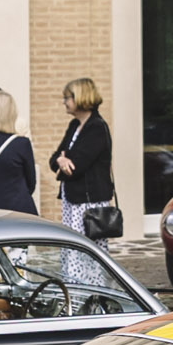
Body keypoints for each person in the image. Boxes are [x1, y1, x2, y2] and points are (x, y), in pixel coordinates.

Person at [48, 78, 115, 234]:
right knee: (71, 246)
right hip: (72, 199)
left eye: (67, 98)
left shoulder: (96, 127)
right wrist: (61, 159)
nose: (64, 102)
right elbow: (54, 159)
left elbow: (76, 167)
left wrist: (65, 159)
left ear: (80, 97)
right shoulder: (74, 125)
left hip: (89, 202)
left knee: (85, 249)